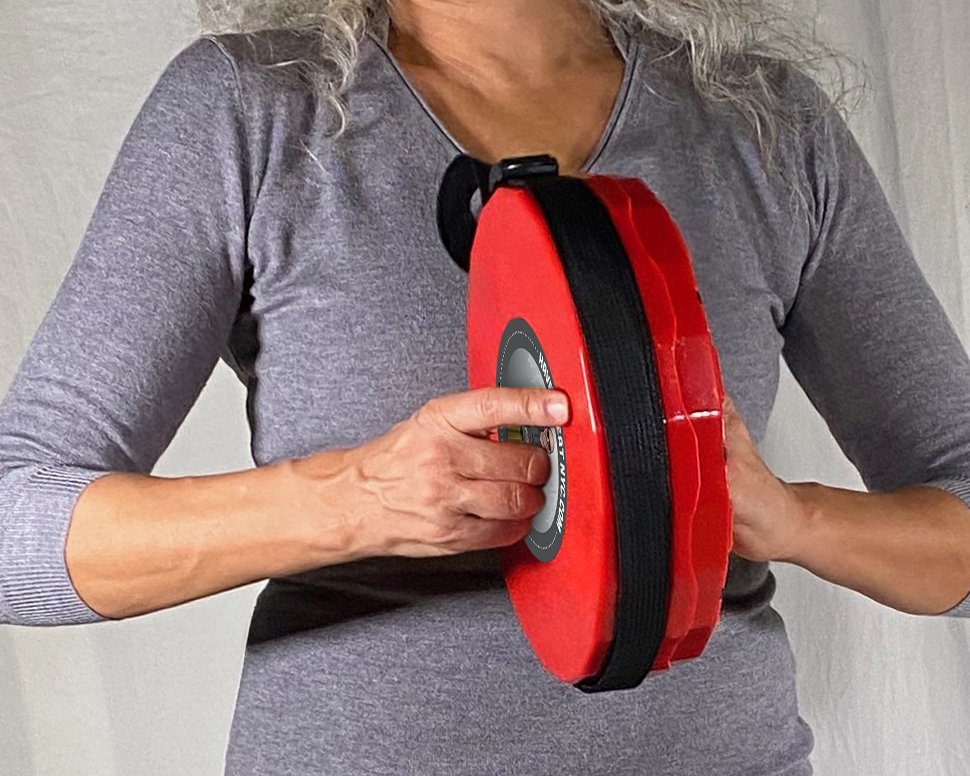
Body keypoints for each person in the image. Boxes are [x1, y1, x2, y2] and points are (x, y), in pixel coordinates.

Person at [1, 1, 968, 773]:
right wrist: (351, 501)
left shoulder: (764, 123)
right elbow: (18, 528)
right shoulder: (253, 109)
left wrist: (792, 518)